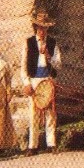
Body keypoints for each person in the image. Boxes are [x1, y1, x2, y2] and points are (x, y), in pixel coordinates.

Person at [20, 11, 62, 154]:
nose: (42, 31)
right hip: (34, 79)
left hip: (48, 78)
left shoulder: (52, 43)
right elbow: (23, 64)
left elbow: (58, 64)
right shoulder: (29, 42)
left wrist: (49, 56)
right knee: (34, 113)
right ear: (35, 27)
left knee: (51, 112)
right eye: (39, 27)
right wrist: (26, 83)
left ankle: (51, 143)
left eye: (44, 28)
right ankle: (33, 145)